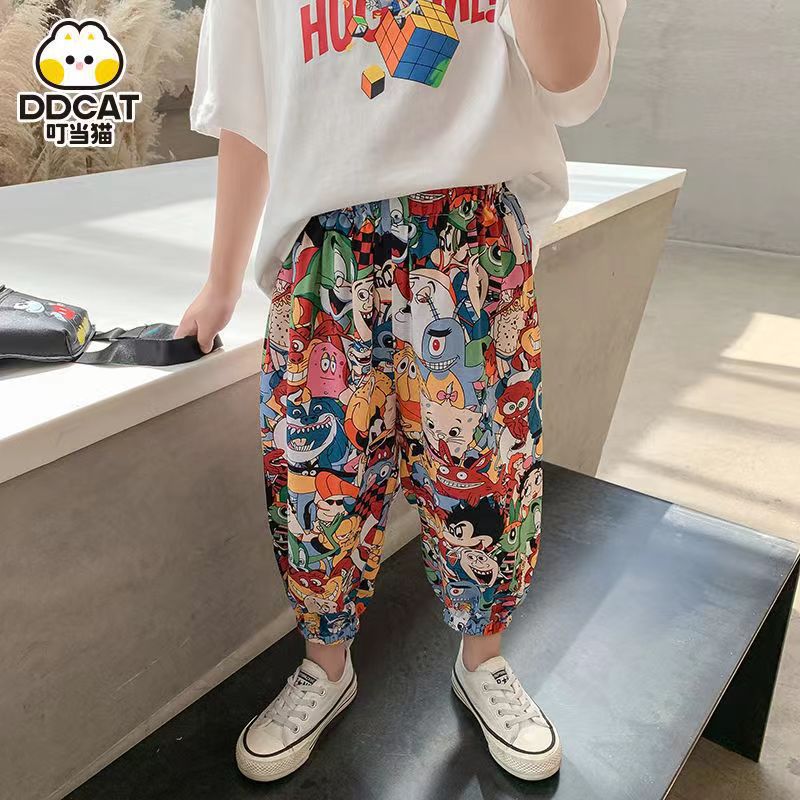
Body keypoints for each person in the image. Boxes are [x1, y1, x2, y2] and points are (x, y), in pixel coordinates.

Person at [180, 0, 626, 783]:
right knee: (318, 479)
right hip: (324, 250)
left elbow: (567, 74)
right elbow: (248, 108)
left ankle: (483, 660)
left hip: (468, 235)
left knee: (485, 477)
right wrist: (220, 284)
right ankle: (325, 665)